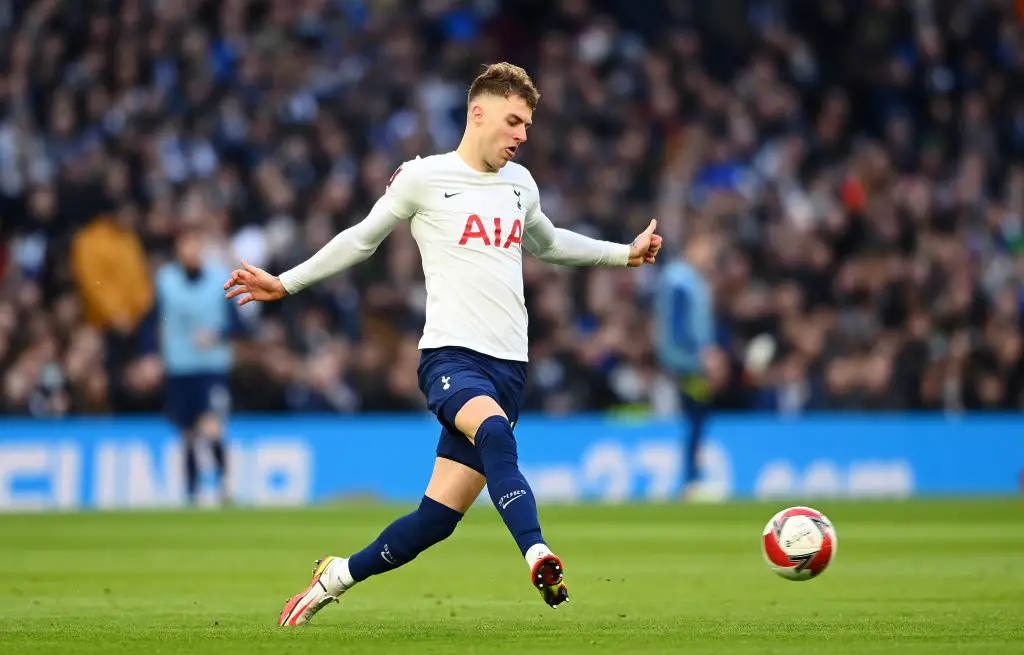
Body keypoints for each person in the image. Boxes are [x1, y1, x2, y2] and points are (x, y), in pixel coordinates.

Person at [224, 62, 663, 626]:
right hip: (451, 358)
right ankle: (538, 552)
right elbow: (361, 240)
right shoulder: (423, 178)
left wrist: (622, 253)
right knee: (496, 432)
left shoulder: (520, 184)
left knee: (435, 520)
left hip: (510, 368)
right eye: (514, 121)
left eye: (526, 125)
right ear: (477, 113)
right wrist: (286, 282)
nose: (522, 135)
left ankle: (334, 576)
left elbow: (550, 244)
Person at [153, 227, 246, 506]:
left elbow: (239, 325)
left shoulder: (221, 279)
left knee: (211, 426)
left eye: (196, 244)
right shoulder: (165, 281)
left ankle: (225, 483)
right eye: (186, 244)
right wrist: (149, 354)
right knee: (188, 433)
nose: (191, 250)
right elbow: (152, 319)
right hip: (179, 366)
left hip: (211, 367)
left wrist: (216, 334)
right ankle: (192, 492)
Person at [654, 235, 718, 498]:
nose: (710, 257)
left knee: (696, 417)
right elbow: (679, 325)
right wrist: (702, 354)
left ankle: (692, 479)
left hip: (688, 362)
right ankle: (690, 481)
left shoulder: (686, 279)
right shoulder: (681, 280)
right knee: (695, 417)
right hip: (686, 364)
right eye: (706, 249)